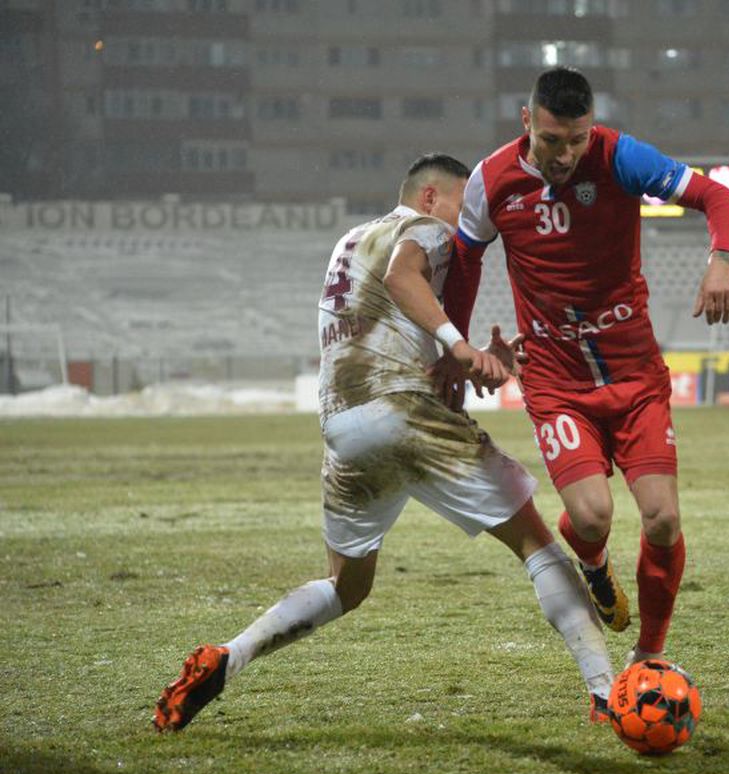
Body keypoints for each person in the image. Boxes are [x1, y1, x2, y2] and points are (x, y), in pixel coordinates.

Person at [153, 154, 614, 732]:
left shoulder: (349, 240)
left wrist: (465, 356)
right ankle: (607, 694)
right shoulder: (427, 230)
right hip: (402, 408)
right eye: (461, 206)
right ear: (429, 197)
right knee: (538, 545)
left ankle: (230, 655)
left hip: (343, 425)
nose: (471, 223)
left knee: (346, 585)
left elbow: (387, 324)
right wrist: (462, 347)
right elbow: (407, 275)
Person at [445, 67, 729, 666]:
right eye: (553, 140)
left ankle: (648, 658)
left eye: (576, 139)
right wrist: (457, 348)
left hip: (635, 377)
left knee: (661, 519)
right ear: (527, 121)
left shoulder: (619, 157)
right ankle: (595, 562)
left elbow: (720, 197)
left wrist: (722, 262)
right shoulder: (491, 179)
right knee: (592, 515)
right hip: (557, 382)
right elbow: (465, 263)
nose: (566, 154)